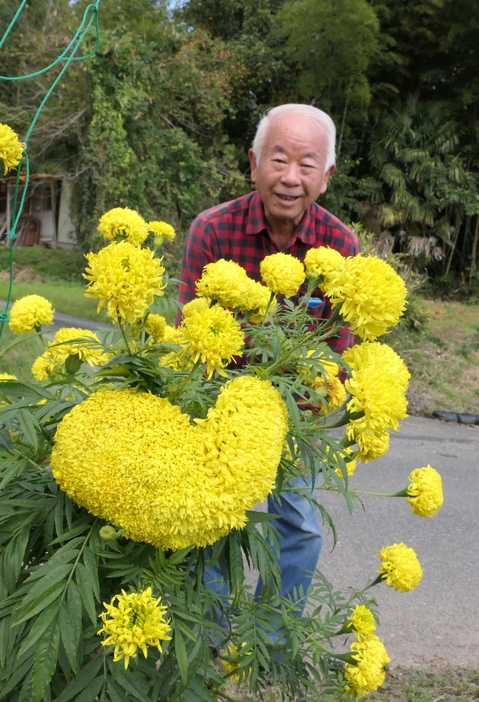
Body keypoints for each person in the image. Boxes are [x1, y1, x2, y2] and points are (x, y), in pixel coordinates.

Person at [178, 104, 360, 620]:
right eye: (279, 160)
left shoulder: (341, 245)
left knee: (299, 522)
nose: (290, 177)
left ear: (325, 177)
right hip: (220, 403)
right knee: (213, 516)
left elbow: (335, 354)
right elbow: (190, 339)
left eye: (307, 165)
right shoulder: (212, 231)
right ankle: (207, 634)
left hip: (298, 413)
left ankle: (273, 642)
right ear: (254, 162)